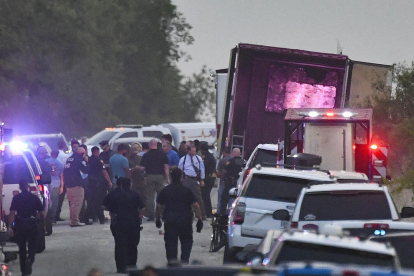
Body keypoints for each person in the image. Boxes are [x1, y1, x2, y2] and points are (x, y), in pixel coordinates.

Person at [155, 168, 203, 265]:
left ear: (172, 177)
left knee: (170, 242)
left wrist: (157, 218)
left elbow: (159, 206)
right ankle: (184, 260)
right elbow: (195, 206)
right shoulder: (187, 190)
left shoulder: (166, 190)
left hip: (170, 220)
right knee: (186, 241)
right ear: (181, 177)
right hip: (185, 220)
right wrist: (200, 219)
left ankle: (172, 262)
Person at [102, 177, 145, 274]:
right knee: (133, 245)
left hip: (119, 223)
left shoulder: (114, 195)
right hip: (133, 223)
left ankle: (121, 267)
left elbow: (105, 206)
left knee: (120, 245)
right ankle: (132, 266)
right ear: (130, 184)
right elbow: (142, 208)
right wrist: (138, 214)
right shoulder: (135, 195)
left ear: (119, 185)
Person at [8, 179, 46, 276]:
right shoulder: (34, 197)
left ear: (20, 187)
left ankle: (23, 271)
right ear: (28, 186)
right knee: (32, 246)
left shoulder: (16, 198)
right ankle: (30, 260)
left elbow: (12, 213)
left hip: (20, 224)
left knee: (22, 248)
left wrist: (10, 226)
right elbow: (42, 213)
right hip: (32, 223)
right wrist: (44, 225)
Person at [139, 139, 170, 221]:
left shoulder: (146, 155)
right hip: (160, 176)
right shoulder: (162, 154)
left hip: (150, 176)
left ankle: (151, 215)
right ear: (156, 145)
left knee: (150, 197)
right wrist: (168, 178)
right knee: (162, 196)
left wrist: (137, 168)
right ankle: (162, 214)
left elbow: (142, 168)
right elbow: (166, 167)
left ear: (150, 145)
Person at [84, 146, 112, 225]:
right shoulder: (99, 160)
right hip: (98, 183)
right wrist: (109, 181)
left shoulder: (89, 159)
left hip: (90, 182)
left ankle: (99, 218)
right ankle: (90, 217)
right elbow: (104, 171)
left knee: (93, 200)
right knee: (98, 201)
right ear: (97, 152)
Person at [63, 147, 90, 227]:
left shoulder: (69, 159)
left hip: (68, 183)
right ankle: (75, 220)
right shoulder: (79, 159)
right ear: (82, 153)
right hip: (76, 183)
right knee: (77, 202)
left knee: (72, 203)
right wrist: (86, 161)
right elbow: (86, 169)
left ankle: (72, 219)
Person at [178, 145, 207, 220]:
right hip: (186, 179)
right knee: (184, 197)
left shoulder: (198, 158)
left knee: (198, 197)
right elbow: (180, 170)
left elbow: (202, 169)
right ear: (188, 151)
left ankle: (202, 215)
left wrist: (202, 180)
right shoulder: (183, 159)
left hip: (195, 180)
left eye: (195, 151)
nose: (194, 152)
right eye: (192, 151)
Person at [56, 140, 80, 222]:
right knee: (71, 198)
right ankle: (72, 215)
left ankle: (56, 214)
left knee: (58, 199)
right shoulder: (66, 156)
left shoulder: (58, 155)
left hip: (57, 180)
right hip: (66, 179)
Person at [220, 148, 244, 215]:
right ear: (239, 153)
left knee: (224, 199)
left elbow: (224, 171)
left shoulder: (230, 161)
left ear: (233, 153)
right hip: (240, 184)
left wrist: (222, 178)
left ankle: (222, 214)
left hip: (230, 183)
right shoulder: (244, 162)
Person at [46, 150, 64, 223]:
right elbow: (62, 176)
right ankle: (53, 217)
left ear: (51, 153)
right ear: (57, 155)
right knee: (55, 201)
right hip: (56, 184)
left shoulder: (45, 161)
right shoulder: (60, 164)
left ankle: (47, 216)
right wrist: (62, 186)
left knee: (47, 201)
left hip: (47, 183)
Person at [200, 143, 216, 218]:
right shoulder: (211, 156)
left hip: (208, 178)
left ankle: (208, 212)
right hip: (211, 178)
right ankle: (207, 212)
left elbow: (205, 167)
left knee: (205, 196)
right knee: (205, 195)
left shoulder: (207, 157)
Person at [216, 147, 232, 214]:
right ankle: (229, 212)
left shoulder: (222, 161)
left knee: (221, 197)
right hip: (232, 182)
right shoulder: (233, 159)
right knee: (231, 198)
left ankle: (219, 212)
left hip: (224, 181)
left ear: (223, 152)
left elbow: (219, 173)